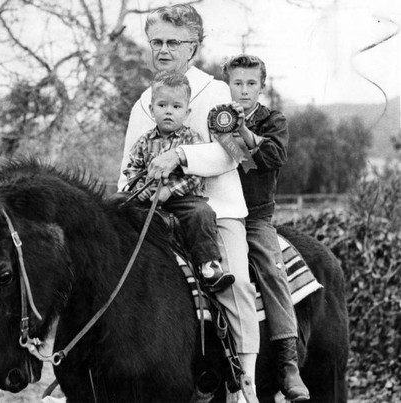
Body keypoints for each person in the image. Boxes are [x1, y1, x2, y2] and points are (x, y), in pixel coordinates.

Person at [117, 4, 259, 400]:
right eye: (156, 41)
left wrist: (180, 157)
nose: (162, 49)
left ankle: (245, 383)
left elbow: (231, 156)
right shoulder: (144, 101)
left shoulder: (217, 93)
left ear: (194, 47)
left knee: (239, 285)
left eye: (173, 42)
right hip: (150, 209)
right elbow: (127, 164)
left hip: (214, 210)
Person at [221, 54, 310, 401]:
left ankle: (288, 364)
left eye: (250, 84)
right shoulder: (216, 116)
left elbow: (273, 158)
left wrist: (242, 132)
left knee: (273, 271)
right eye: (237, 83)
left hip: (255, 215)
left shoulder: (273, 119)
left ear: (262, 85)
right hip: (219, 211)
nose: (243, 90)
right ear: (228, 83)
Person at [123, 71, 235, 292]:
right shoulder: (144, 141)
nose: (168, 111)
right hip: (149, 196)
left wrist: (170, 191)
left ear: (187, 111)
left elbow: (197, 175)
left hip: (183, 198)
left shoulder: (192, 139)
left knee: (202, 212)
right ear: (151, 109)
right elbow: (132, 169)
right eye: (162, 105)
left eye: (176, 107)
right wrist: (144, 193)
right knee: (118, 204)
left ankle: (208, 264)